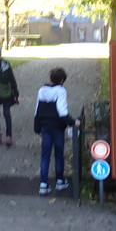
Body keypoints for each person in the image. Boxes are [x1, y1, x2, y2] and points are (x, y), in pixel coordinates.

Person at [33, 67, 81, 196]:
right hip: (57, 128)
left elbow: (37, 110)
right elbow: (62, 112)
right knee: (59, 154)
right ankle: (60, 181)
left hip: (45, 127)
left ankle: (43, 184)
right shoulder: (61, 91)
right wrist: (73, 122)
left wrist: (37, 127)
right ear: (61, 80)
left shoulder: (42, 90)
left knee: (45, 155)